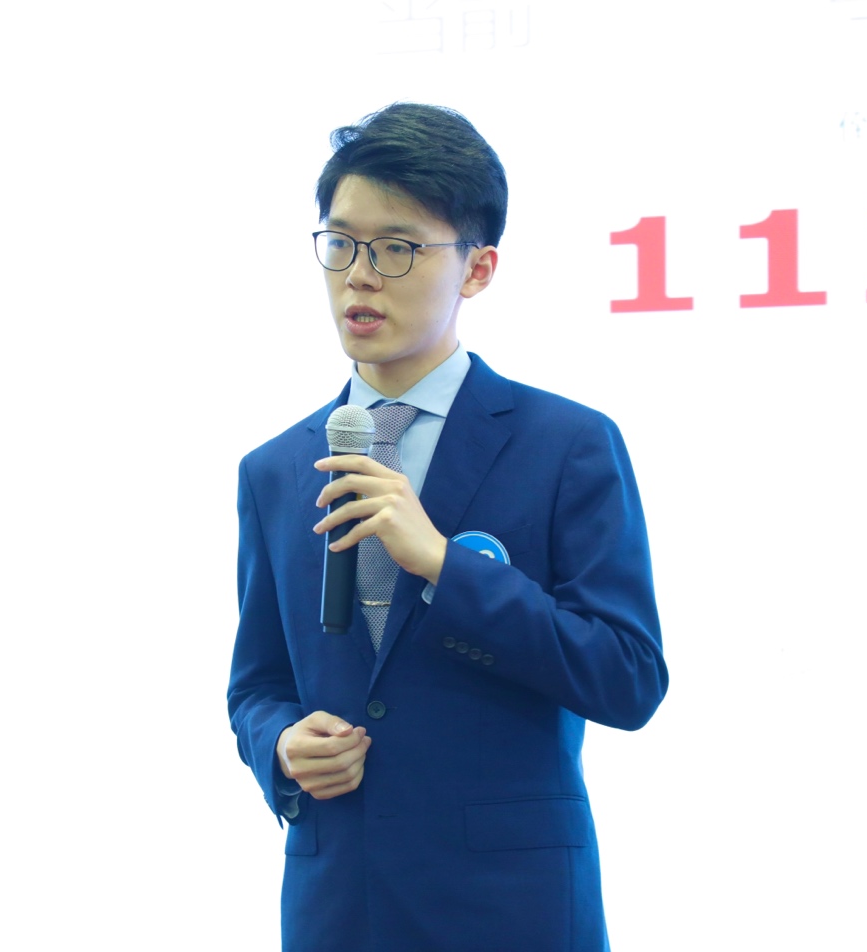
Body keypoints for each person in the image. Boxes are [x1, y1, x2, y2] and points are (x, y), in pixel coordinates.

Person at [226, 102, 667, 952]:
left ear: (478, 268)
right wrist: (279, 743)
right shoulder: (275, 470)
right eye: (340, 243)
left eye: (397, 248)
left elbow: (628, 676)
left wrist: (442, 565)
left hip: (509, 910)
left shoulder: (567, 444)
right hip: (339, 908)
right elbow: (258, 682)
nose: (360, 277)